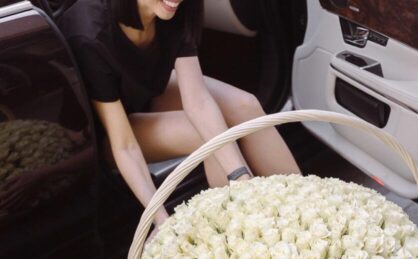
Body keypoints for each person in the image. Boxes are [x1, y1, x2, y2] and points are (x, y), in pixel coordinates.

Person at [58, 0, 302, 237]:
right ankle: (244, 236)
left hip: (144, 92)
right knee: (205, 136)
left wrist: (240, 176)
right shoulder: (90, 33)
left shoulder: (175, 9)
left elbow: (198, 101)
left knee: (244, 106)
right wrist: (160, 220)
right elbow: (124, 146)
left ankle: (306, 211)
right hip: (108, 135)